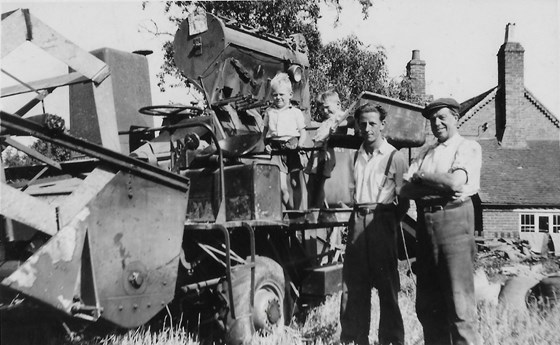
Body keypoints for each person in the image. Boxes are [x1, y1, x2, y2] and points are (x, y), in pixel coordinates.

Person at [400, 98, 482, 345]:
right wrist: (436, 186)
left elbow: (455, 183)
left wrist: (422, 177)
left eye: (442, 117)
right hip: (426, 226)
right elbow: (404, 190)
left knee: (460, 305)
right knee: (428, 305)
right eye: (432, 119)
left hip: (454, 221)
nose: (437, 123)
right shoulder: (426, 152)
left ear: (456, 118)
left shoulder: (467, 147)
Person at [340, 103, 408, 345]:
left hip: (382, 219)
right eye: (363, 124)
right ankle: (355, 339)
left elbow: (404, 201)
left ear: (382, 125)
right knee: (354, 285)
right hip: (357, 219)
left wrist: (387, 221)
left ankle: (391, 340)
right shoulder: (354, 155)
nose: (367, 128)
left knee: (387, 286)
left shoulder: (395, 157)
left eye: (372, 123)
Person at [262, 72, 307, 210]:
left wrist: (300, 144)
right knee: (281, 187)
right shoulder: (269, 112)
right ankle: (290, 209)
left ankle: (298, 213)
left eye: (281, 94)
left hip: (293, 147)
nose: (278, 97)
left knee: (295, 183)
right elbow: (264, 133)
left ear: (290, 95)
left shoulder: (295, 112)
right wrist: (266, 145)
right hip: (276, 150)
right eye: (275, 94)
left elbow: (303, 132)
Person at [304, 90, 344, 208]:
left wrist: (337, 127)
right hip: (316, 154)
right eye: (322, 109)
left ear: (338, 104)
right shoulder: (326, 120)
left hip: (324, 154)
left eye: (327, 107)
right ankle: (313, 209)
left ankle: (318, 210)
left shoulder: (339, 116)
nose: (324, 111)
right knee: (311, 184)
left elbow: (350, 120)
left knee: (319, 185)